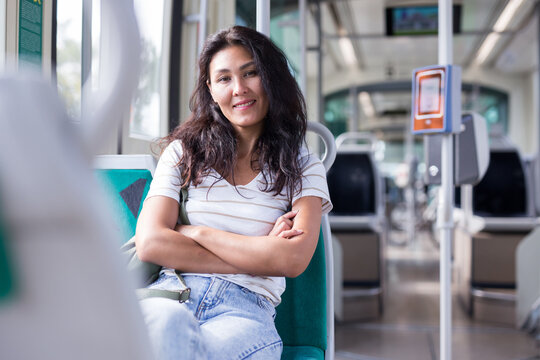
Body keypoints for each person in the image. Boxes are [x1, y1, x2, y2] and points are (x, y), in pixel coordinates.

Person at [134, 25, 332, 360]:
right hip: (171, 294)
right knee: (165, 328)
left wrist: (194, 232)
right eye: (224, 79)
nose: (239, 89)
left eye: (250, 73)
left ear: (270, 78)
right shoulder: (183, 153)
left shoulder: (303, 165)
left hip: (245, 311)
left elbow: (292, 259)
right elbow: (151, 243)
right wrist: (259, 254)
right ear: (211, 90)